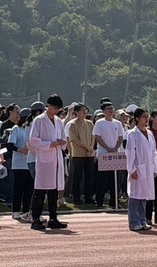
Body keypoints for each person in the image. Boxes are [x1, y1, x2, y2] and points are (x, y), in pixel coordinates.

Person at [28, 94, 68, 230]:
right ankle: (35, 219)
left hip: (56, 158)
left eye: (58, 109)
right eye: (54, 108)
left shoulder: (58, 121)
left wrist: (62, 143)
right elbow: (33, 140)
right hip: (45, 159)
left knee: (54, 191)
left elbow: (63, 137)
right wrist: (50, 144)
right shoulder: (39, 120)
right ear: (49, 106)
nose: (56, 111)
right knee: (40, 190)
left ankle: (53, 218)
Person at [125, 108, 157, 232]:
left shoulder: (150, 134)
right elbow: (130, 152)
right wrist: (132, 169)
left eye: (147, 116)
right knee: (135, 196)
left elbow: (154, 152)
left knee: (144, 195)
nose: (146, 119)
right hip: (138, 168)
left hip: (148, 169)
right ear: (137, 118)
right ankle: (134, 222)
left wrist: (155, 167)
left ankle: (143, 219)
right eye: (144, 116)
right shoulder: (132, 134)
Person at [93, 101, 124, 208]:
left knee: (115, 180)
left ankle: (114, 201)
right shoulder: (99, 123)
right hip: (103, 155)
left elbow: (120, 137)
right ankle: (100, 202)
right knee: (102, 180)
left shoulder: (118, 123)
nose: (111, 110)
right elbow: (97, 137)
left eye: (112, 108)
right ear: (103, 111)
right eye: (108, 109)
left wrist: (115, 148)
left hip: (115, 155)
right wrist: (107, 148)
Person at [7, 108, 34, 220]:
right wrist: (20, 149)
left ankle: (26, 211)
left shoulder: (31, 129)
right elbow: (10, 145)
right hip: (19, 164)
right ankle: (15, 210)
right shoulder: (16, 129)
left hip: (29, 163)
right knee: (18, 188)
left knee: (29, 189)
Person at [66, 103, 95, 206]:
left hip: (89, 154)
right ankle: (76, 198)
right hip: (78, 154)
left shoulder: (90, 123)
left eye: (86, 110)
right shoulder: (72, 124)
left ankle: (88, 197)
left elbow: (93, 137)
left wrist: (91, 147)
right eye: (82, 110)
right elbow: (74, 139)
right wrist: (87, 147)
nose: (85, 112)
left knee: (89, 177)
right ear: (77, 112)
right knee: (77, 177)